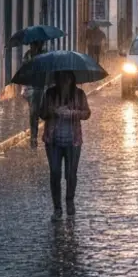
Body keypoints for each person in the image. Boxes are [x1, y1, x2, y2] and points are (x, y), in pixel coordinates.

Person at [39, 71, 91, 221]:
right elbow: (42, 113)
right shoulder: (50, 94)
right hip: (53, 141)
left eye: (67, 78)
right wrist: (53, 112)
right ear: (57, 79)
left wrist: (72, 113)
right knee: (55, 173)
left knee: (71, 173)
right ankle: (57, 208)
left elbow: (87, 113)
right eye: (61, 78)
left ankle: (69, 201)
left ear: (72, 79)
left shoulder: (79, 94)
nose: (64, 82)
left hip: (73, 141)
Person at [23, 41, 46, 148]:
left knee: (43, 112)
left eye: (34, 45)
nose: (32, 46)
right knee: (33, 113)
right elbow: (24, 70)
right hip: (31, 88)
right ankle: (33, 137)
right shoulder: (27, 55)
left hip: (43, 87)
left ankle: (47, 134)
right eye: (31, 45)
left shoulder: (45, 55)